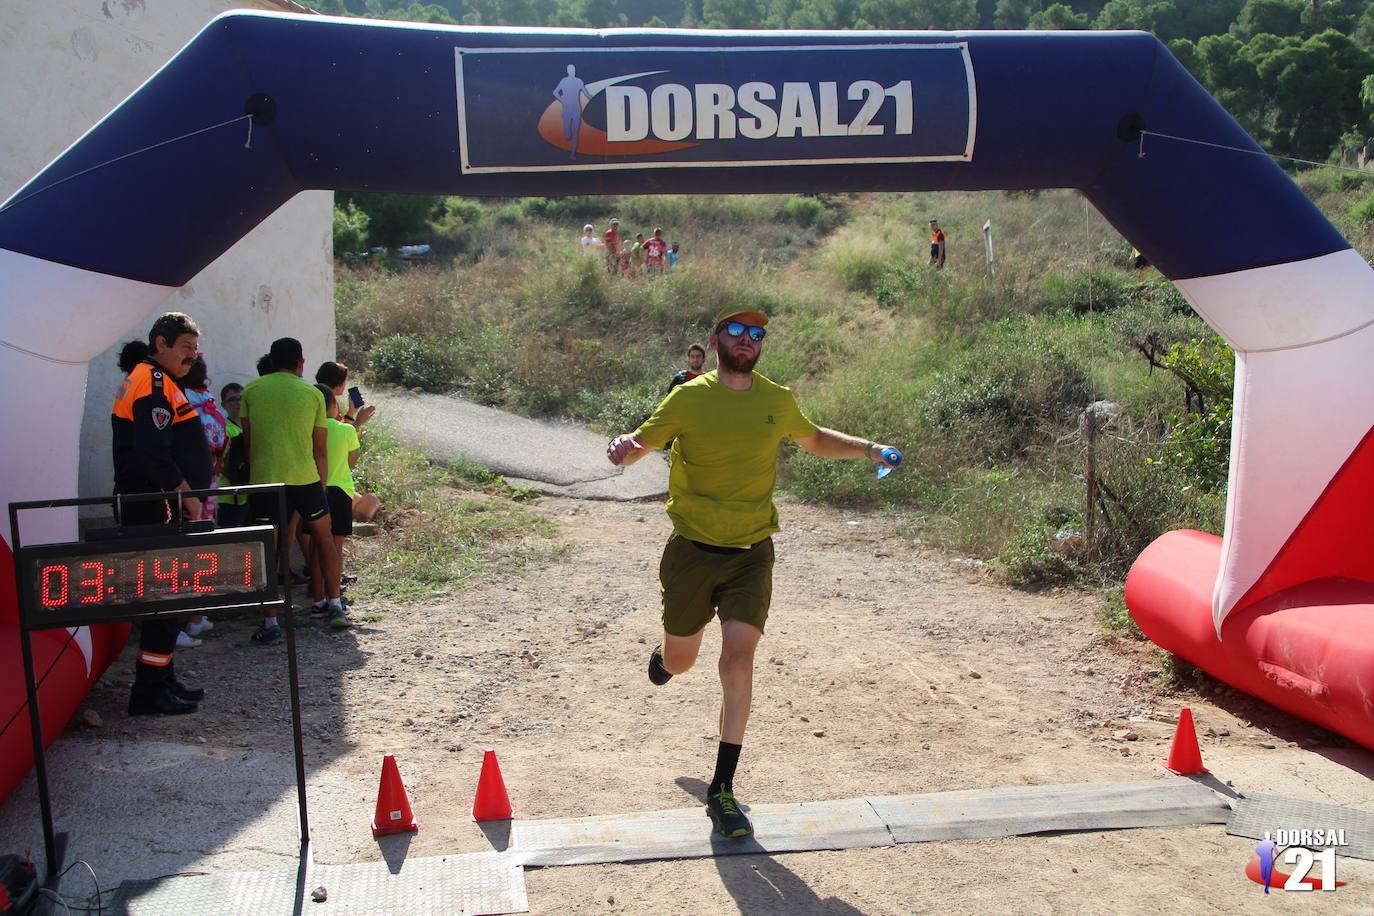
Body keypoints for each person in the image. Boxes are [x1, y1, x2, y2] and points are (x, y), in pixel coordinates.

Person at [606, 306, 901, 839]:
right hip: (692, 552)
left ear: (761, 344)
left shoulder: (776, 399)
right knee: (683, 659)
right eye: (737, 331)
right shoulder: (689, 397)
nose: (747, 340)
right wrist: (622, 449)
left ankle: (723, 789)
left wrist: (868, 448)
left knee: (738, 661)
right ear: (718, 339)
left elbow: (812, 438)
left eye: (756, 334)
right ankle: (668, 660)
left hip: (751, 553)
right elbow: (636, 446)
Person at [110, 312, 210, 715]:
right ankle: (150, 691)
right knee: (162, 597)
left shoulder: (161, 380)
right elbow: (153, 452)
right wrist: (184, 492)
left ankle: (162, 680)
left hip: (156, 501)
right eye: (185, 348)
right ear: (161, 344)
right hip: (153, 502)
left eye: (194, 349)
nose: (192, 357)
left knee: (169, 598)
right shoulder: (151, 382)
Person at [240, 337, 348, 640]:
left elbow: (249, 442)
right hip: (305, 477)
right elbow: (320, 448)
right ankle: (335, 604)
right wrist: (322, 486)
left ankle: (271, 621)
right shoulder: (313, 394)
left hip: (265, 479)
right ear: (301, 362)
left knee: (269, 548)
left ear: (271, 362)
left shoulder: (252, 390)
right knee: (325, 538)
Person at [179, 355, 228, 644]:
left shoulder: (179, 397)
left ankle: (188, 619)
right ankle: (197, 614)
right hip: (209, 481)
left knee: (185, 550)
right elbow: (221, 440)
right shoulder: (207, 399)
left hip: (186, 482)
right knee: (202, 546)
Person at [313, 382, 362, 614]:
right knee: (336, 545)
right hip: (340, 490)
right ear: (334, 405)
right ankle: (335, 592)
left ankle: (317, 597)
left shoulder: (310, 429)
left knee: (316, 545)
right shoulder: (347, 430)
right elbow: (351, 463)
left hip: (314, 488)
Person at [314, 361, 380, 522]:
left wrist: (351, 414)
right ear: (339, 383)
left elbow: (336, 429)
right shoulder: (328, 403)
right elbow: (333, 436)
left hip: (324, 477)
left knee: (370, 502)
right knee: (370, 503)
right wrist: (357, 423)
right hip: (332, 479)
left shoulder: (319, 399)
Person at [216, 382, 252, 529]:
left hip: (248, 495)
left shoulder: (250, 426)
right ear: (223, 405)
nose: (238, 402)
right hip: (229, 496)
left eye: (241, 398)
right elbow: (218, 462)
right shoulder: (222, 428)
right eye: (232, 399)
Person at [552, 64, 592, 159]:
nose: (573, 71)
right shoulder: (564, 81)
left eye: (573, 70)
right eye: (571, 70)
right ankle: (566, 132)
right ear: (568, 71)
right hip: (567, 108)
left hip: (576, 109)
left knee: (575, 132)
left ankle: (572, 154)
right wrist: (562, 100)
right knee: (567, 135)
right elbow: (555, 92)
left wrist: (593, 98)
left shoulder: (579, 81)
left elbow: (586, 93)